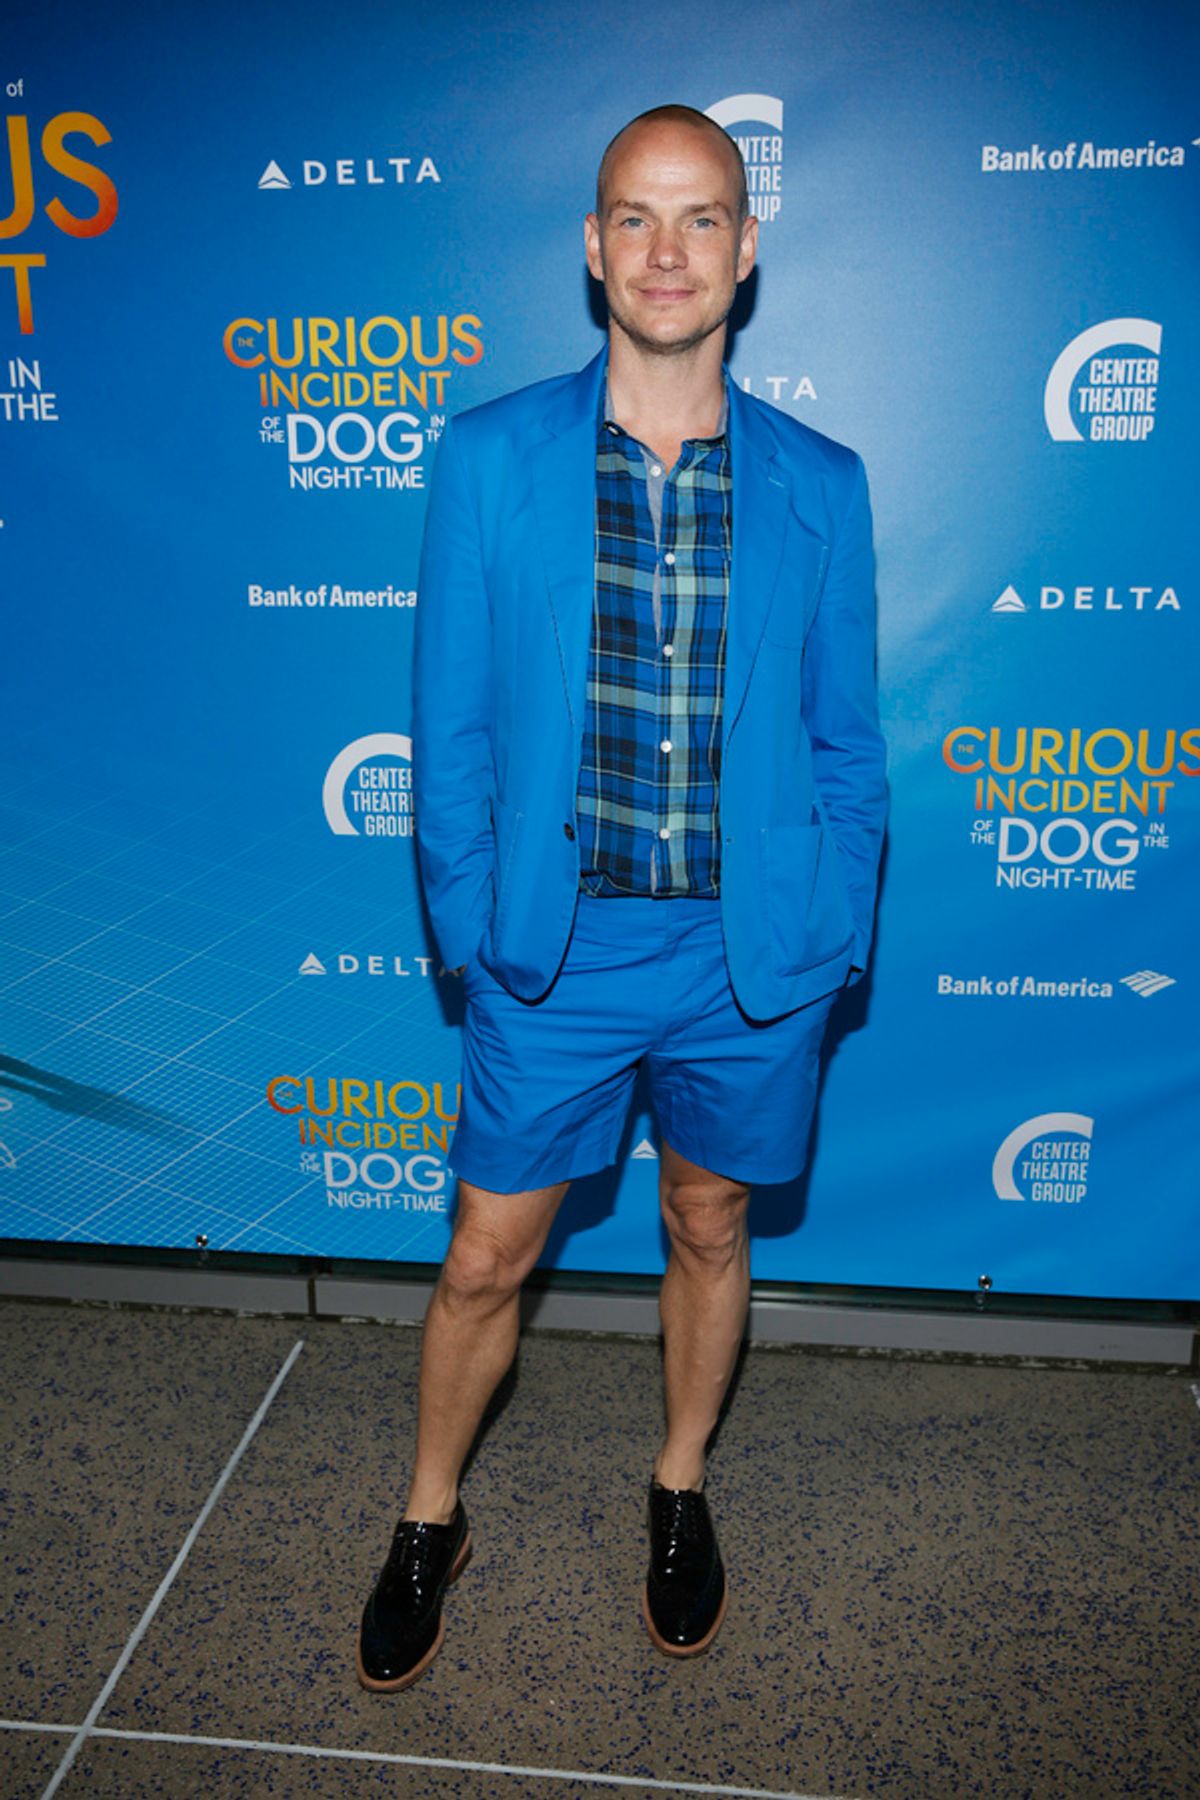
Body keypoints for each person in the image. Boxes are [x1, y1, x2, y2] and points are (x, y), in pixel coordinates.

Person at [356, 103, 887, 1692]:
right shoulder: (490, 456)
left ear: (746, 249)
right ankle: (428, 1515)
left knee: (710, 1222)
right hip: (556, 947)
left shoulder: (824, 483)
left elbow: (847, 744)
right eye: (637, 219)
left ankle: (677, 1487)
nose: (669, 251)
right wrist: (478, 927)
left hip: (748, 956)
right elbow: (445, 731)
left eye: (703, 217)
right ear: (594, 249)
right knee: (482, 1258)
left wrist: (828, 923)